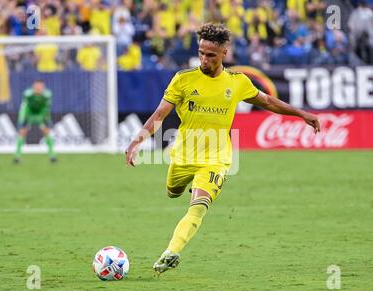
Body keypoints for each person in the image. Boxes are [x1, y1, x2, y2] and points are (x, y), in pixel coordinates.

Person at [125, 23, 320, 275]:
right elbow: (161, 113)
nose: (204, 59)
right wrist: (136, 141)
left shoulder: (237, 82)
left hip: (217, 159)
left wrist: (302, 114)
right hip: (183, 155)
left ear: (224, 54)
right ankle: (183, 188)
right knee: (173, 192)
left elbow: (268, 101)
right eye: (201, 53)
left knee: (198, 204)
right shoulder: (183, 80)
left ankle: (171, 252)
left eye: (210, 55)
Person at [14, 80, 57, 163]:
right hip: (29, 114)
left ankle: (52, 155)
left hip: (40, 115)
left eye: (40, 87)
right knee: (22, 132)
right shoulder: (27, 94)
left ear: (43, 87)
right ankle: (17, 156)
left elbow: (46, 108)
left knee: (47, 132)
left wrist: (47, 119)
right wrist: (22, 118)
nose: (38, 88)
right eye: (36, 87)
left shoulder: (47, 95)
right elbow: (24, 106)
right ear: (33, 87)